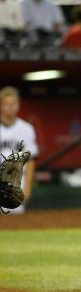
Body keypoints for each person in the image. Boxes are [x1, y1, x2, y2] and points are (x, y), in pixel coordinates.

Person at [0, 87, 38, 215]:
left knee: (14, 224)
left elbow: (31, 161)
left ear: (18, 105)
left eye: (13, 104)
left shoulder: (26, 129)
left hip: (16, 184)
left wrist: (27, 188)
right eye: (6, 104)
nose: (10, 108)